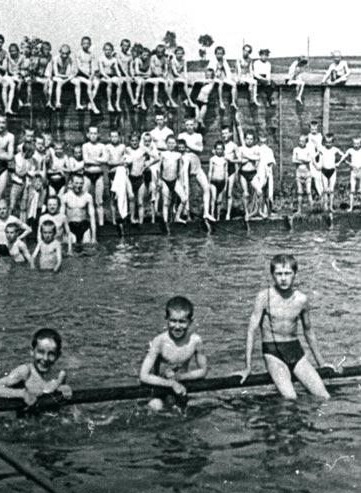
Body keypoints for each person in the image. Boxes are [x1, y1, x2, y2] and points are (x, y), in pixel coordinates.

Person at [234, 255, 342, 400]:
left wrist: (321, 363)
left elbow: (308, 330)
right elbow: (251, 331)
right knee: (290, 397)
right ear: (272, 275)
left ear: (294, 274)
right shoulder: (264, 297)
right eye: (279, 274)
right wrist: (248, 367)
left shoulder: (301, 299)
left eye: (287, 273)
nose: (283, 278)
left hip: (295, 351)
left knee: (324, 396)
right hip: (273, 352)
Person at [138, 296, 208, 412]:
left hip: (181, 387)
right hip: (159, 389)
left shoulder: (195, 341)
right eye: (173, 321)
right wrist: (171, 384)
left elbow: (203, 371)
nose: (177, 326)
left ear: (191, 322)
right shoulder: (159, 341)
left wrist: (180, 377)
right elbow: (143, 376)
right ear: (166, 319)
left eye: (182, 322)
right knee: (155, 406)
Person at [0, 328, 72, 406]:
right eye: (41, 352)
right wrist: (22, 394)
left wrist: (63, 389)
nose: (45, 358)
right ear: (32, 352)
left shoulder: (59, 375)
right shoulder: (25, 372)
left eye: (51, 354)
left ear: (58, 356)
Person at [62, 174, 96, 249]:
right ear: (71, 183)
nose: (78, 185)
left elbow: (92, 218)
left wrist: (94, 237)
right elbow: (61, 217)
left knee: (88, 248)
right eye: (76, 183)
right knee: (72, 248)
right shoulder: (65, 197)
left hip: (84, 226)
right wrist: (63, 233)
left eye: (81, 183)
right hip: (71, 227)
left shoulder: (88, 197)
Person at [82, 127, 107, 226]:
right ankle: (85, 223)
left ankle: (101, 224)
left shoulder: (102, 146)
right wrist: (99, 160)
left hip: (99, 175)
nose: (93, 136)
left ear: (98, 135)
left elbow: (105, 159)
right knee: (84, 199)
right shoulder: (85, 146)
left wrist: (93, 159)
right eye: (91, 133)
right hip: (87, 175)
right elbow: (86, 160)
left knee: (99, 201)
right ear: (88, 134)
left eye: (95, 133)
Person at [159, 135, 186, 224]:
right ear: (166, 143)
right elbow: (159, 168)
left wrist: (182, 182)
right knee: (166, 203)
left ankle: (177, 217)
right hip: (165, 180)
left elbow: (181, 170)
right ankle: (166, 221)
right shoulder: (163, 154)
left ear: (176, 144)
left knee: (184, 199)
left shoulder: (178, 155)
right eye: (169, 143)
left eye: (173, 143)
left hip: (174, 181)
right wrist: (159, 180)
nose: (171, 145)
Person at [318, 133, 344, 213]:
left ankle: (331, 206)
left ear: (332, 142)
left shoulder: (335, 149)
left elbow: (343, 155)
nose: (328, 144)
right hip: (324, 171)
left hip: (332, 171)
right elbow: (314, 156)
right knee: (325, 189)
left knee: (331, 190)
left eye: (330, 142)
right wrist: (318, 165)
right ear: (324, 142)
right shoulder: (321, 149)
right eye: (326, 142)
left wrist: (338, 163)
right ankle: (325, 206)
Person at [73, 36, 100, 113]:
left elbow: (93, 66)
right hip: (81, 75)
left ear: (90, 44)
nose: (86, 45)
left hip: (89, 75)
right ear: (81, 44)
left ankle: (90, 103)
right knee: (89, 83)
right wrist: (88, 76)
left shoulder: (91, 54)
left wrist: (91, 75)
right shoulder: (78, 53)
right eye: (84, 43)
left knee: (97, 83)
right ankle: (93, 105)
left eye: (88, 43)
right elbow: (79, 67)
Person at [291, 134, 314, 214]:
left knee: (308, 191)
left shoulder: (308, 150)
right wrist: (302, 160)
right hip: (299, 173)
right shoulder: (296, 149)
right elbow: (293, 160)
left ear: (306, 142)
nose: (301, 143)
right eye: (300, 141)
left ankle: (312, 209)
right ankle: (299, 210)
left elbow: (309, 160)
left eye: (303, 141)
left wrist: (300, 159)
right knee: (299, 192)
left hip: (307, 173)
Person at [339, 137, 361, 211]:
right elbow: (344, 157)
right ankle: (351, 207)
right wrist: (345, 163)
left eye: (358, 143)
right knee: (352, 190)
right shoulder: (350, 150)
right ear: (352, 144)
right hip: (353, 172)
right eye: (355, 143)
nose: (356, 145)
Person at [208, 141, 229, 220]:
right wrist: (209, 182)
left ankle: (218, 217)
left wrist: (226, 184)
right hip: (214, 181)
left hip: (222, 182)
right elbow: (210, 171)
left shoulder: (225, 160)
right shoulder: (212, 159)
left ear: (223, 150)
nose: (219, 151)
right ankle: (212, 214)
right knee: (213, 198)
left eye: (220, 149)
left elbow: (226, 172)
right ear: (215, 149)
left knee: (219, 200)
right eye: (217, 149)